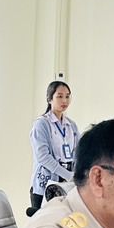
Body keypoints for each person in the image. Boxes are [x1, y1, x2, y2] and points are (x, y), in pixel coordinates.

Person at [27, 79, 78, 216]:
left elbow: (77, 153)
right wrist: (67, 175)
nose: (64, 100)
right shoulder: (42, 124)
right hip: (46, 184)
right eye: (59, 96)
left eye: (67, 96)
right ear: (50, 98)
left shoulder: (71, 125)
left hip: (67, 184)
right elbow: (43, 157)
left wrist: (76, 175)